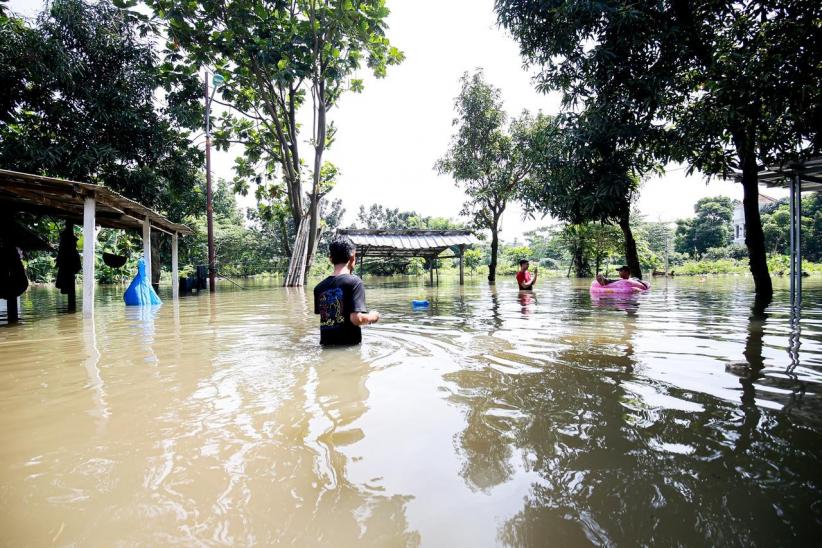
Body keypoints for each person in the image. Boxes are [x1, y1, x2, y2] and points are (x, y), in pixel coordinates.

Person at [313, 235, 380, 346]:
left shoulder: (319, 288)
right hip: (349, 347)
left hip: (326, 346)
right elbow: (356, 319)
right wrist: (373, 317)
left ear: (330, 259)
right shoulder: (355, 282)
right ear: (353, 257)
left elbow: (326, 317)